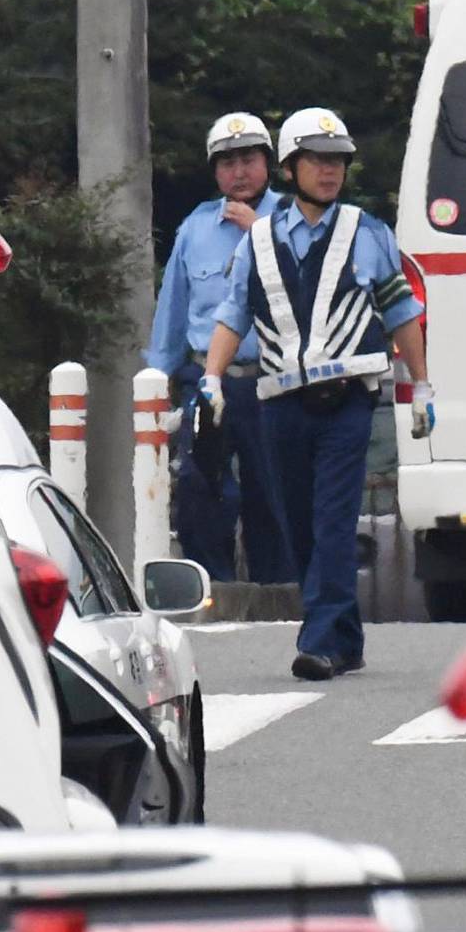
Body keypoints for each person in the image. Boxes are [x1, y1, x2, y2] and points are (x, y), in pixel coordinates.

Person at [201, 108, 433, 681]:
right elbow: (233, 313)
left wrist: (421, 384)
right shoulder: (256, 239)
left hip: (348, 401)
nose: (330, 172)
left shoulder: (370, 232)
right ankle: (346, 638)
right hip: (278, 402)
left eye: (337, 161)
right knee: (299, 526)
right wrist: (211, 377)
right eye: (317, 160)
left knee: (332, 520)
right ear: (289, 167)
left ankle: (321, 641)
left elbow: (402, 312)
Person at [146, 113, 292, 583]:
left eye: (248, 160)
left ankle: (281, 596)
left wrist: (260, 232)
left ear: (268, 165)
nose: (239, 173)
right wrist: (157, 379)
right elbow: (174, 305)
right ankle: (213, 588)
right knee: (197, 484)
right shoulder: (195, 227)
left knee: (272, 494)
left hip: (274, 381)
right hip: (206, 381)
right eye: (227, 163)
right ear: (215, 172)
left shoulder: (293, 220)